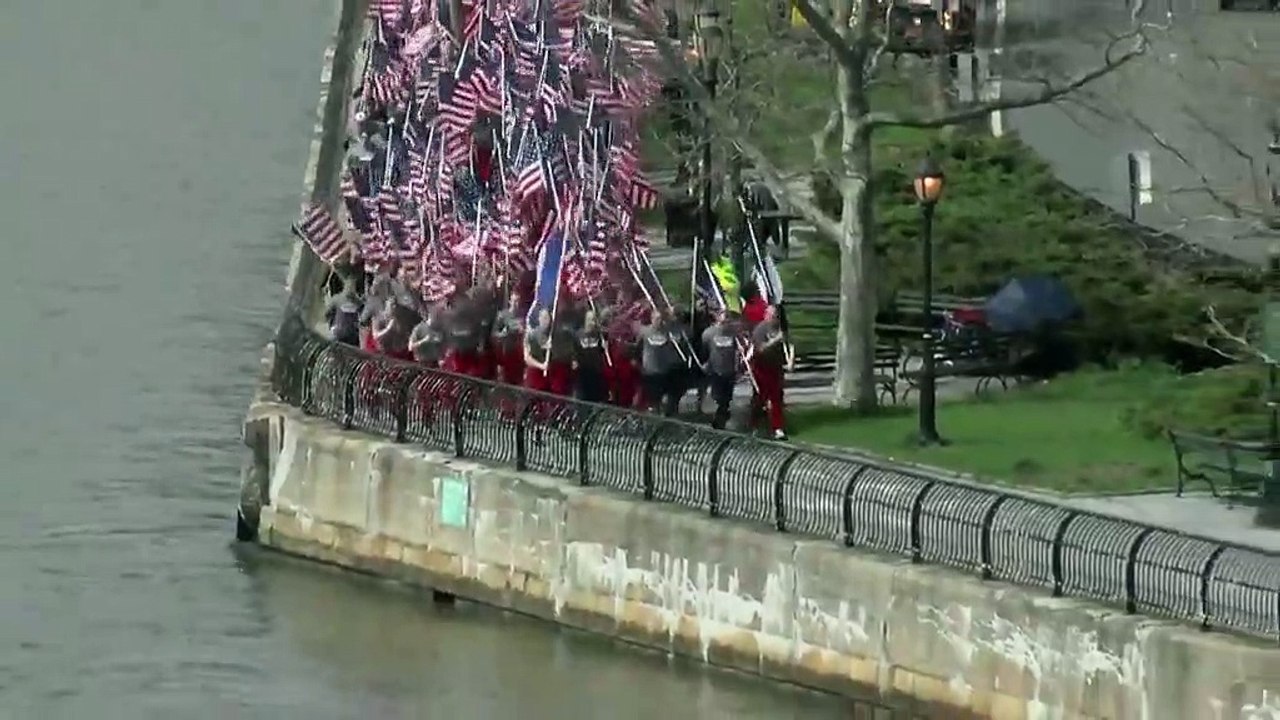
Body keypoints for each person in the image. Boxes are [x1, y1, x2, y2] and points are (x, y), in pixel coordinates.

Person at [749, 305, 789, 440]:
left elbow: (788, 346)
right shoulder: (760, 329)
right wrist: (774, 341)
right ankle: (755, 425)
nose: (773, 317)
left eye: (775, 315)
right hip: (761, 367)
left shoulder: (780, 329)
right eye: (771, 314)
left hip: (776, 367)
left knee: (777, 398)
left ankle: (778, 427)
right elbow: (759, 350)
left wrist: (789, 360)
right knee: (760, 398)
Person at [702, 310, 743, 430]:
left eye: (728, 321)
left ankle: (722, 419)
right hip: (715, 370)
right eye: (723, 321)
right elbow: (704, 350)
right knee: (716, 395)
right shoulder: (708, 334)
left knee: (726, 398)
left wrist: (739, 367)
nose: (725, 323)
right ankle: (716, 419)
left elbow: (739, 351)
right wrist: (705, 364)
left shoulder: (734, 334)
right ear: (718, 319)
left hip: (729, 371)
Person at [637, 308, 681, 416]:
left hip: (664, 369)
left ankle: (665, 413)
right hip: (650, 370)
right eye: (657, 319)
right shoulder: (645, 332)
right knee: (653, 396)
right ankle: (654, 412)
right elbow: (637, 347)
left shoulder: (668, 332)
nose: (659, 321)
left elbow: (675, 345)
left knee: (665, 395)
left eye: (661, 319)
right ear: (652, 319)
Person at [573, 309, 609, 403]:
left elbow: (603, 352)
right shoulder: (578, 335)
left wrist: (605, 347)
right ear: (585, 320)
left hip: (596, 373)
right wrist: (574, 360)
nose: (591, 322)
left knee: (596, 399)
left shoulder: (600, 335)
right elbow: (573, 350)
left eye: (593, 320)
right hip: (583, 373)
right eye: (589, 319)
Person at [491, 291, 525, 386]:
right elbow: (494, 334)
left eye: (518, 301)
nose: (516, 304)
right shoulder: (502, 315)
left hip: (519, 355)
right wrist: (503, 334)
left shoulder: (522, 317)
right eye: (514, 301)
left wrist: (523, 332)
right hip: (506, 353)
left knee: (518, 382)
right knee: (505, 382)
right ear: (510, 301)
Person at [325, 273, 362, 347]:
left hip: (345, 334)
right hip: (347, 334)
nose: (350, 289)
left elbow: (327, 314)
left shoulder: (358, 302)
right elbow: (327, 314)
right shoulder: (358, 302)